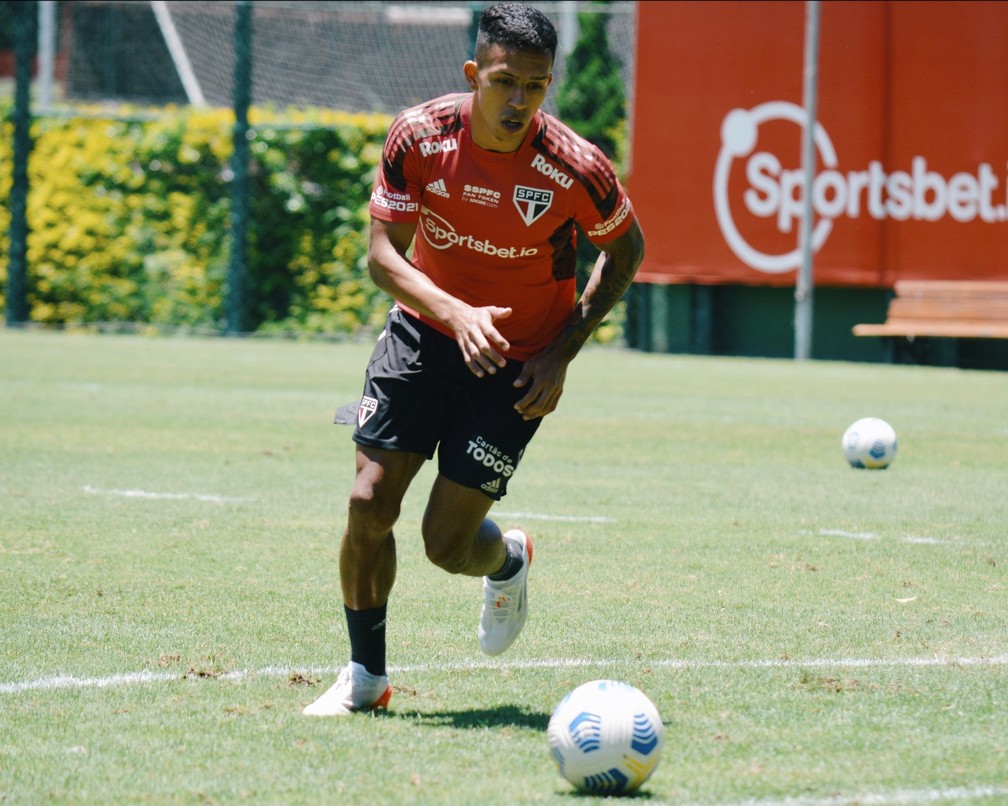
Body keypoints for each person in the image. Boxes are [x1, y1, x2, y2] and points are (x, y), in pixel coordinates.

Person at [304, 1, 645, 716]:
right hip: (425, 333)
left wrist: (561, 355)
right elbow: (381, 257)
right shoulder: (419, 136)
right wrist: (453, 313)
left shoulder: (576, 167)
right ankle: (366, 677)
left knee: (446, 545)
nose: (519, 100)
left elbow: (626, 251)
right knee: (369, 501)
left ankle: (509, 559)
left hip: (519, 363)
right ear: (472, 73)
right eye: (503, 82)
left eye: (535, 85)